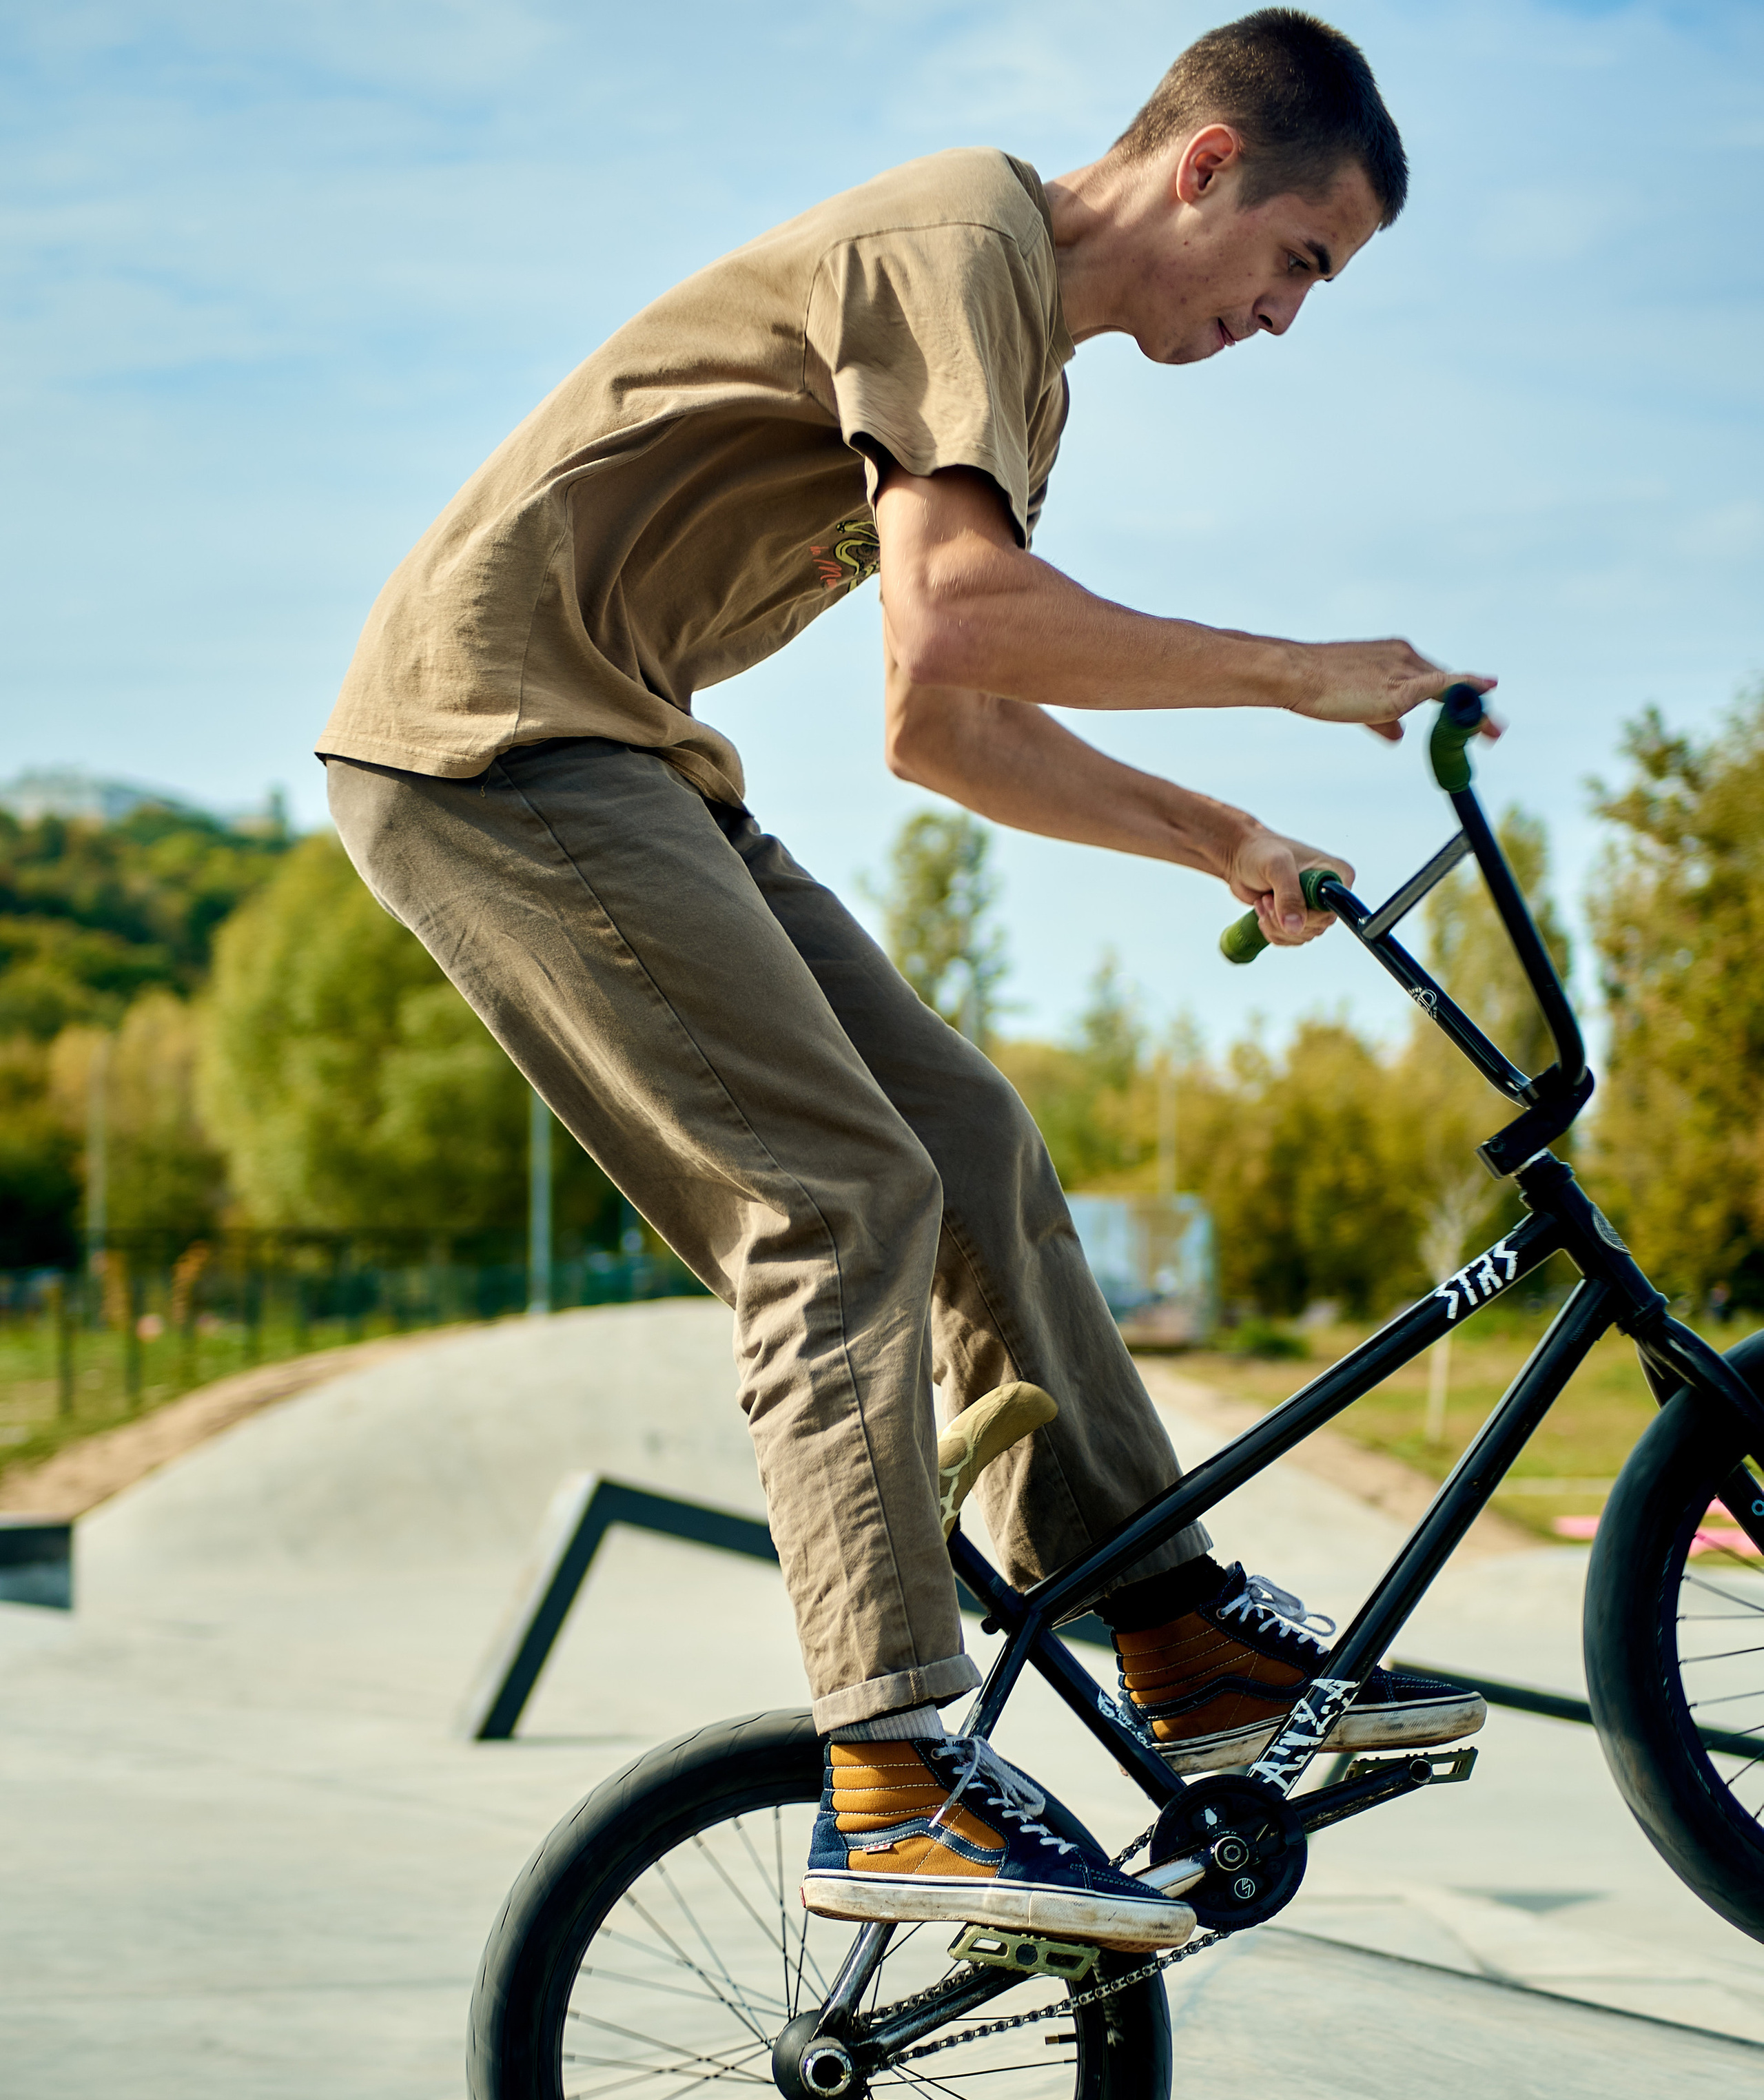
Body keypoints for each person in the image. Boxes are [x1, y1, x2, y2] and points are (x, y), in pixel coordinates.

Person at [319, 8, 1492, 1951]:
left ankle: (1179, 1634)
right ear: (1205, 167)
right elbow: (956, 608)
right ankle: (890, 1766)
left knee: (967, 1133)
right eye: (1301, 261)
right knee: (835, 1194)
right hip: (493, 744)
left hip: (626, 747)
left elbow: (939, 724)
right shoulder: (964, 244)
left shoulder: (1021, 376)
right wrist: (1297, 668)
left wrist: (1223, 838)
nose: (1290, 319)